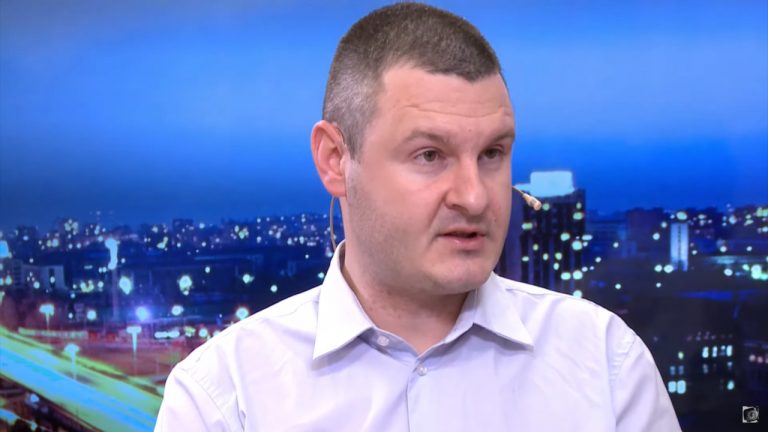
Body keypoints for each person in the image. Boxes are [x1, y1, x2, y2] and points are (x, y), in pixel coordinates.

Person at [155, 3, 681, 431]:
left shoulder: (605, 366)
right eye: (430, 155)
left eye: (493, 153)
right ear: (335, 160)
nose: (475, 197)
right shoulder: (225, 399)